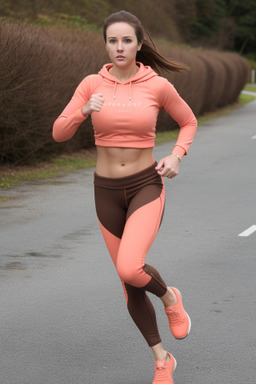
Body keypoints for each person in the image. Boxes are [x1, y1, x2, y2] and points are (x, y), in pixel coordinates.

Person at [52, 10, 197, 384]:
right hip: (106, 191)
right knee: (128, 283)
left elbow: (188, 121)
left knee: (130, 267)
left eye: (126, 40)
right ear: (105, 44)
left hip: (146, 185)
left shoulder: (157, 85)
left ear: (138, 44)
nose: (119, 47)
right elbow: (58, 133)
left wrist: (176, 156)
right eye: (113, 40)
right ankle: (163, 359)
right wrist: (83, 111)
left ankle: (169, 299)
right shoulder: (90, 84)